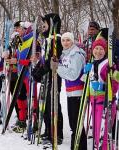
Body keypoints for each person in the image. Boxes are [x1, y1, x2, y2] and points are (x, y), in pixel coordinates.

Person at [32, 13, 64, 145]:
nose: (42, 26)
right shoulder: (47, 39)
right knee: (44, 104)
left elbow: (52, 59)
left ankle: (56, 133)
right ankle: (48, 130)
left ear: (51, 24)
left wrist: (41, 70)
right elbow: (44, 58)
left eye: (45, 23)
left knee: (53, 104)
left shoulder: (57, 39)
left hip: (54, 76)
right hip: (46, 76)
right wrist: (37, 69)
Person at [51, 32, 87, 149]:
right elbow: (62, 67)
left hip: (78, 92)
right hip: (71, 92)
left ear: (72, 41)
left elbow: (73, 75)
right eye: (63, 40)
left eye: (68, 40)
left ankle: (79, 146)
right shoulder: (65, 54)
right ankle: (78, 146)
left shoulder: (76, 54)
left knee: (76, 123)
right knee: (74, 123)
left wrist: (58, 67)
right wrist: (57, 62)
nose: (65, 43)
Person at [84, 38, 118, 149]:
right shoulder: (92, 63)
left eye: (101, 49)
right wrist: (86, 72)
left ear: (106, 51)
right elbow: (87, 81)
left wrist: (101, 86)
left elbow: (115, 85)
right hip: (94, 103)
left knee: (103, 134)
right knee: (96, 132)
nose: (98, 51)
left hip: (105, 103)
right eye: (96, 48)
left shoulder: (109, 65)